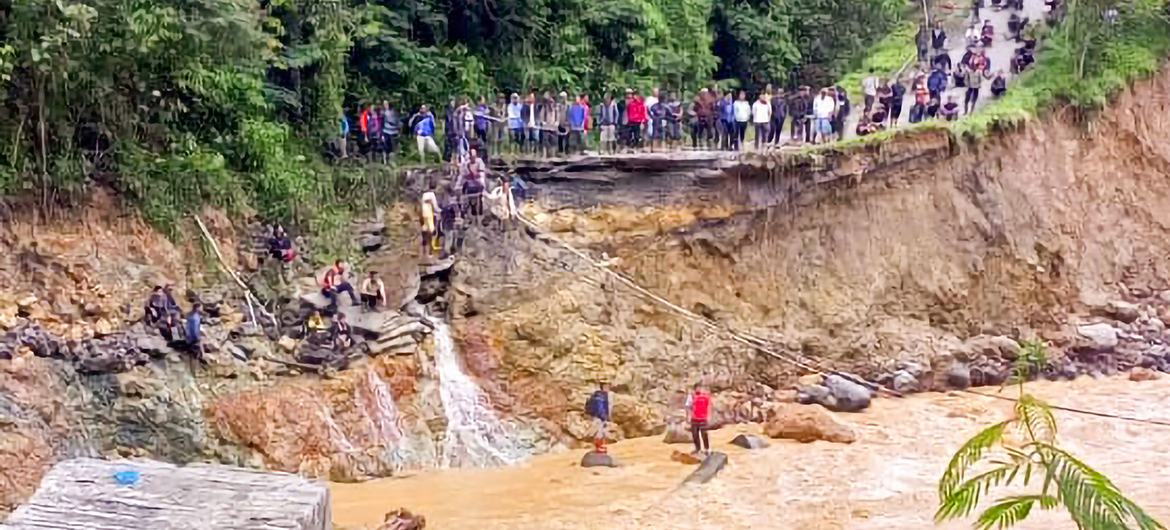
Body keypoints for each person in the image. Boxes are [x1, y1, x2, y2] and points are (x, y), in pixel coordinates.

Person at [686, 383, 711, 455]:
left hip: (703, 418)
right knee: (695, 435)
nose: (699, 389)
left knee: (704, 434)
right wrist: (688, 417)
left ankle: (707, 449)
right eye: (698, 388)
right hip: (694, 418)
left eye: (700, 388)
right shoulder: (691, 396)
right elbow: (688, 407)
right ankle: (698, 449)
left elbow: (708, 406)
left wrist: (708, 416)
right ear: (695, 389)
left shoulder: (705, 396)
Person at [586, 382, 612, 450]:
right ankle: (598, 447)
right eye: (607, 386)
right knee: (599, 432)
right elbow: (600, 406)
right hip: (599, 416)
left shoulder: (599, 395)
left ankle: (599, 446)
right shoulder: (601, 396)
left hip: (597, 416)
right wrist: (603, 416)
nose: (608, 388)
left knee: (600, 432)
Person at [419, 185, 439, 257]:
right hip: (430, 215)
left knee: (424, 233)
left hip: (423, 215)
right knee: (431, 233)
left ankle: (424, 251)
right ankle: (430, 252)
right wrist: (439, 211)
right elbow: (435, 206)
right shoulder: (432, 195)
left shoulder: (423, 195)